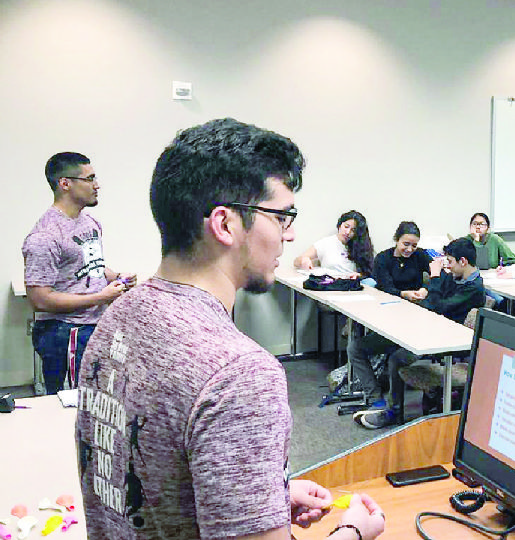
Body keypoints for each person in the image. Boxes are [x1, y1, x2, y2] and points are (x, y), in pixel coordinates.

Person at [75, 118, 386, 539]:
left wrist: (256, 497)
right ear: (225, 225)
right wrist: (353, 532)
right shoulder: (238, 374)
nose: (289, 235)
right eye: (281, 217)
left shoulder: (119, 315)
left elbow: (148, 471)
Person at [22, 152, 136, 395]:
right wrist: (100, 297)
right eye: (90, 178)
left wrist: (115, 277)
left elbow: (89, 264)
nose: (97, 185)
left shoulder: (89, 222)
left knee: (97, 402)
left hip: (93, 326)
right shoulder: (44, 237)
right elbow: (40, 299)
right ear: (65, 184)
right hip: (65, 333)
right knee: (70, 404)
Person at [351, 237, 485, 429]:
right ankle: (379, 403)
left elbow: (437, 308)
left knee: (397, 358)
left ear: (463, 261)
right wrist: (432, 287)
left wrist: (436, 277)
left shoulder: (473, 288)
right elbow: (430, 304)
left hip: (441, 342)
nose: (448, 266)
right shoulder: (456, 278)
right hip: (423, 330)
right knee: (358, 347)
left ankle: (393, 412)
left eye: (451, 262)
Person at [294, 209, 375, 279]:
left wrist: (359, 275)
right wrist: (304, 260)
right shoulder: (326, 243)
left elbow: (370, 272)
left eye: (353, 230)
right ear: (340, 225)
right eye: (346, 227)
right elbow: (297, 261)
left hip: (353, 286)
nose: (348, 232)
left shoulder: (361, 246)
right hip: (330, 284)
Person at [372, 221, 433, 300]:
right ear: (397, 240)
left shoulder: (420, 255)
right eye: (406, 244)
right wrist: (402, 294)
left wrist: (425, 289)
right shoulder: (383, 258)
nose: (409, 249)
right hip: (389, 299)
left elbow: (438, 275)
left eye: (414, 245)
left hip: (417, 301)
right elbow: (384, 287)